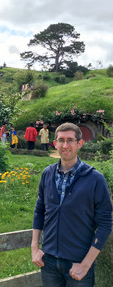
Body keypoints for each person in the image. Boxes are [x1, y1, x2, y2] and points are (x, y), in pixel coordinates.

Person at [31, 122, 112, 286]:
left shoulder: (95, 179)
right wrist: (34, 248)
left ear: (79, 144)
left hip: (78, 261)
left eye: (70, 140)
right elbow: (39, 211)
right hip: (49, 261)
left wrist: (86, 264)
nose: (65, 145)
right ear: (55, 144)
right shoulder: (47, 174)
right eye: (61, 140)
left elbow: (105, 224)